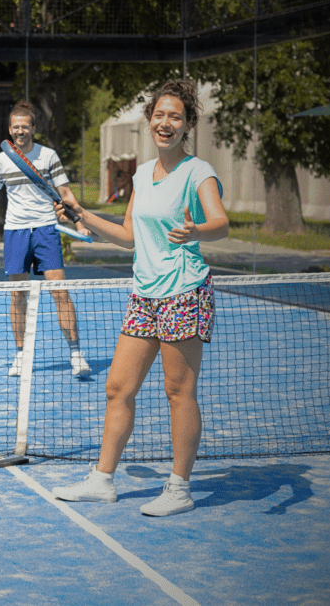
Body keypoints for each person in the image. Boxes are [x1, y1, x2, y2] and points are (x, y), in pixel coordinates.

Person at [51, 79, 229, 517]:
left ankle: (179, 487)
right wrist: (84, 215)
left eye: (175, 117)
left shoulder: (198, 172)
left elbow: (222, 224)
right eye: (159, 115)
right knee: (118, 387)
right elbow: (129, 238)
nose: (165, 123)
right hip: (145, 294)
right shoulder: (141, 176)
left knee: (177, 391)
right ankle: (101, 480)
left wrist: (196, 230)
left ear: (187, 125)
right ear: (149, 120)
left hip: (183, 292)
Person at [0, 101, 92, 378]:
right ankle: (20, 356)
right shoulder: (1, 160)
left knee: (60, 292)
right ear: (10, 129)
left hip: (45, 230)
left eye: (25, 126)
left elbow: (65, 192)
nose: (21, 131)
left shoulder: (49, 156)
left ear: (33, 128)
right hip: (15, 232)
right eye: (16, 127)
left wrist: (80, 220)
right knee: (17, 296)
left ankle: (76, 355)